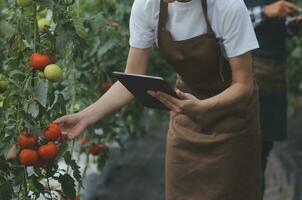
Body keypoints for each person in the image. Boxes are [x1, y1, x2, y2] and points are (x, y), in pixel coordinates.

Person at [55, 0, 263, 199]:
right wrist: (83, 117)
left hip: (232, 121)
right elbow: (131, 80)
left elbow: (243, 85)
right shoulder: (148, 6)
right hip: (186, 117)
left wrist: (202, 107)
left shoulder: (227, 6)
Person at [244, 0, 302, 196]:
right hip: (249, 71)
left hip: (273, 73)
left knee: (263, 148)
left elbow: (272, 29)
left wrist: (292, 25)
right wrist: (266, 11)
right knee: (248, 150)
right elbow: (225, 24)